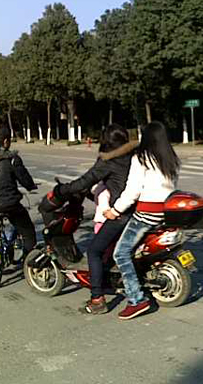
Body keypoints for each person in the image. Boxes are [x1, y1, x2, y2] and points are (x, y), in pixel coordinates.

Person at [53, 124, 137, 314]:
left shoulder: (109, 160)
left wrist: (62, 190)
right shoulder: (135, 155)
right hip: (139, 211)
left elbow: (86, 180)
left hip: (120, 214)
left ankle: (97, 299)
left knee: (93, 251)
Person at [105, 122, 180, 320]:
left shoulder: (141, 158)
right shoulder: (170, 157)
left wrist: (114, 210)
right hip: (166, 212)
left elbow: (133, 191)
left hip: (147, 213)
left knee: (120, 253)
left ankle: (136, 300)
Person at [0, 125, 38, 260]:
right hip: (10, 205)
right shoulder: (12, 159)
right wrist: (31, 186)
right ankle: (29, 261)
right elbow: (24, 179)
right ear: (5, 141)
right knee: (28, 231)